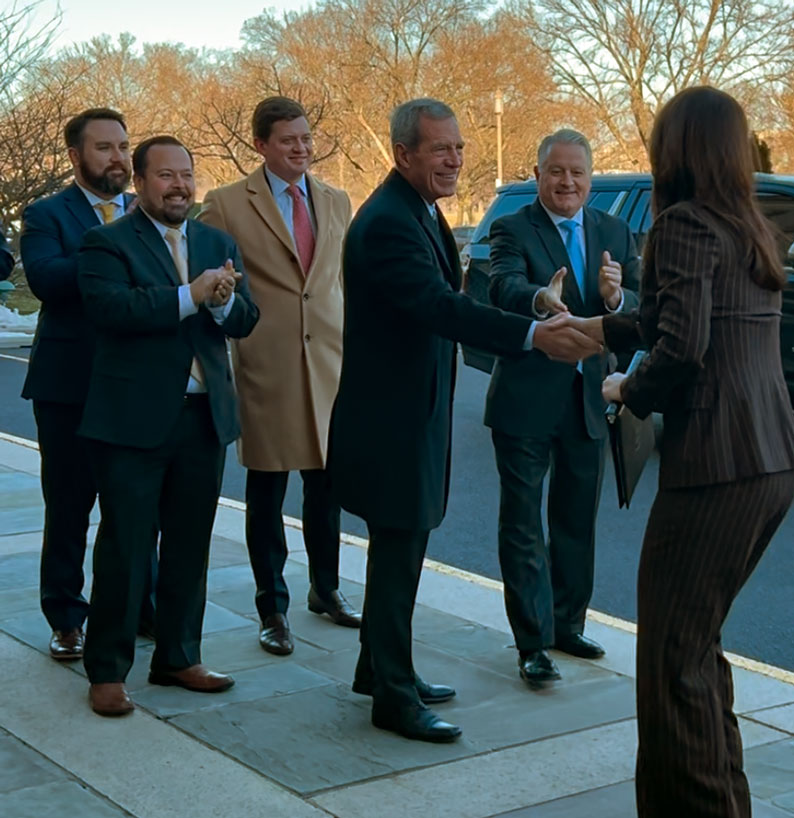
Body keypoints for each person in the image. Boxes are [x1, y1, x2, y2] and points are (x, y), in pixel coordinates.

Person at [331, 98, 601, 743]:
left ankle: (380, 667)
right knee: (398, 555)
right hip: (391, 420)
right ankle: (393, 697)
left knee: (403, 550)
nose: (453, 160)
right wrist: (534, 334)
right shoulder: (391, 221)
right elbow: (440, 308)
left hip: (407, 411)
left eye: (458, 149)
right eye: (439, 150)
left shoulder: (414, 209)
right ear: (404, 154)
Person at [573, 87, 794, 816]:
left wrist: (625, 391)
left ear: (676, 150)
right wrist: (598, 330)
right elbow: (680, 316)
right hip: (771, 462)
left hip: (715, 464)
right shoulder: (749, 229)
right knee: (696, 649)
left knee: (671, 660)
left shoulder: (680, 224)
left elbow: (682, 347)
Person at [78, 136, 259, 717]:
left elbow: (246, 319)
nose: (180, 186)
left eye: (187, 175)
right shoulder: (105, 243)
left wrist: (224, 302)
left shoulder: (215, 240)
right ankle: (107, 671)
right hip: (133, 423)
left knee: (189, 546)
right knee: (126, 550)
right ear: (140, 181)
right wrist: (190, 294)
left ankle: (180, 656)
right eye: (166, 176)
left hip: (203, 419)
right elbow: (114, 311)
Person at [200, 97, 358, 656]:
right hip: (265, 364)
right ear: (261, 145)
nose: (301, 148)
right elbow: (205, 273)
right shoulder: (224, 204)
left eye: (306, 138)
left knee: (327, 486)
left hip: (330, 364)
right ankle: (273, 608)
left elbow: (340, 280)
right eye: (288, 139)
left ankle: (327, 589)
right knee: (267, 489)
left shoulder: (337, 200)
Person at [485, 129, 640, 686]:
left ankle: (566, 624)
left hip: (588, 401)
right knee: (523, 524)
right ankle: (532, 643)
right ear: (538, 173)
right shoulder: (511, 228)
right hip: (526, 400)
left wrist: (618, 297)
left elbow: (642, 305)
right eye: (556, 172)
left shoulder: (614, 231)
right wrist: (538, 299)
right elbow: (501, 286)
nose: (567, 182)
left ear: (590, 178)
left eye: (577, 173)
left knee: (576, 521)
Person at [19, 108, 156, 662]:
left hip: (136, 385)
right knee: (70, 507)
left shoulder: (149, 212)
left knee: (136, 508)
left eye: (124, 147)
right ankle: (67, 617)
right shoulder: (47, 213)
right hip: (68, 385)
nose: (120, 158)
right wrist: (112, 250)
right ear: (76, 156)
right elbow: (48, 280)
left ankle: (136, 608)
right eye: (105, 148)